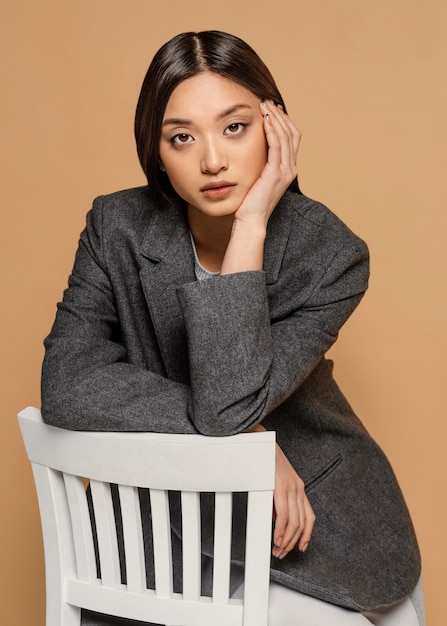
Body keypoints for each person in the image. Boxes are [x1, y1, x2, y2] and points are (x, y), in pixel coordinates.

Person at [41, 30, 424, 625]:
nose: (212, 160)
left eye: (235, 127)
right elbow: (67, 384)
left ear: (275, 128)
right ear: (156, 149)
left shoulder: (329, 254)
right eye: (182, 137)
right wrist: (250, 444)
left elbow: (227, 404)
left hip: (304, 526)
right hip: (155, 531)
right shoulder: (115, 226)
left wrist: (251, 227)